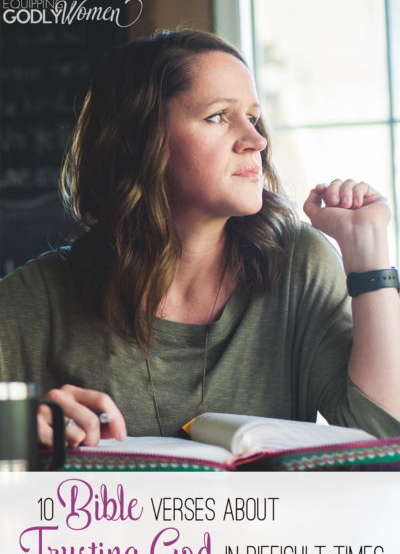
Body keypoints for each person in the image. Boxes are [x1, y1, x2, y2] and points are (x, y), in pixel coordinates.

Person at [1, 29, 400, 449]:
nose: (256, 141)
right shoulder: (42, 298)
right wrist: (17, 425)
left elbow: (383, 437)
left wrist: (368, 256)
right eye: (218, 117)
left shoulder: (298, 267)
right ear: (140, 140)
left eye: (252, 117)